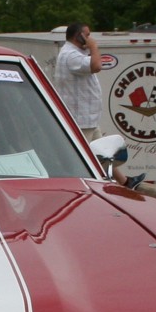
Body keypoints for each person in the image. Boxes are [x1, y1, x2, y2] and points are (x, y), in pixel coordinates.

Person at [51, 23, 142, 189]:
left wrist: (90, 47)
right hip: (81, 117)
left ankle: (126, 182)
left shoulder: (74, 53)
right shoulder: (71, 55)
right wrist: (93, 47)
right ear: (79, 36)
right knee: (82, 158)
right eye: (87, 34)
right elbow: (96, 66)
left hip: (87, 117)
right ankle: (80, 186)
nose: (90, 38)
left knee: (104, 153)